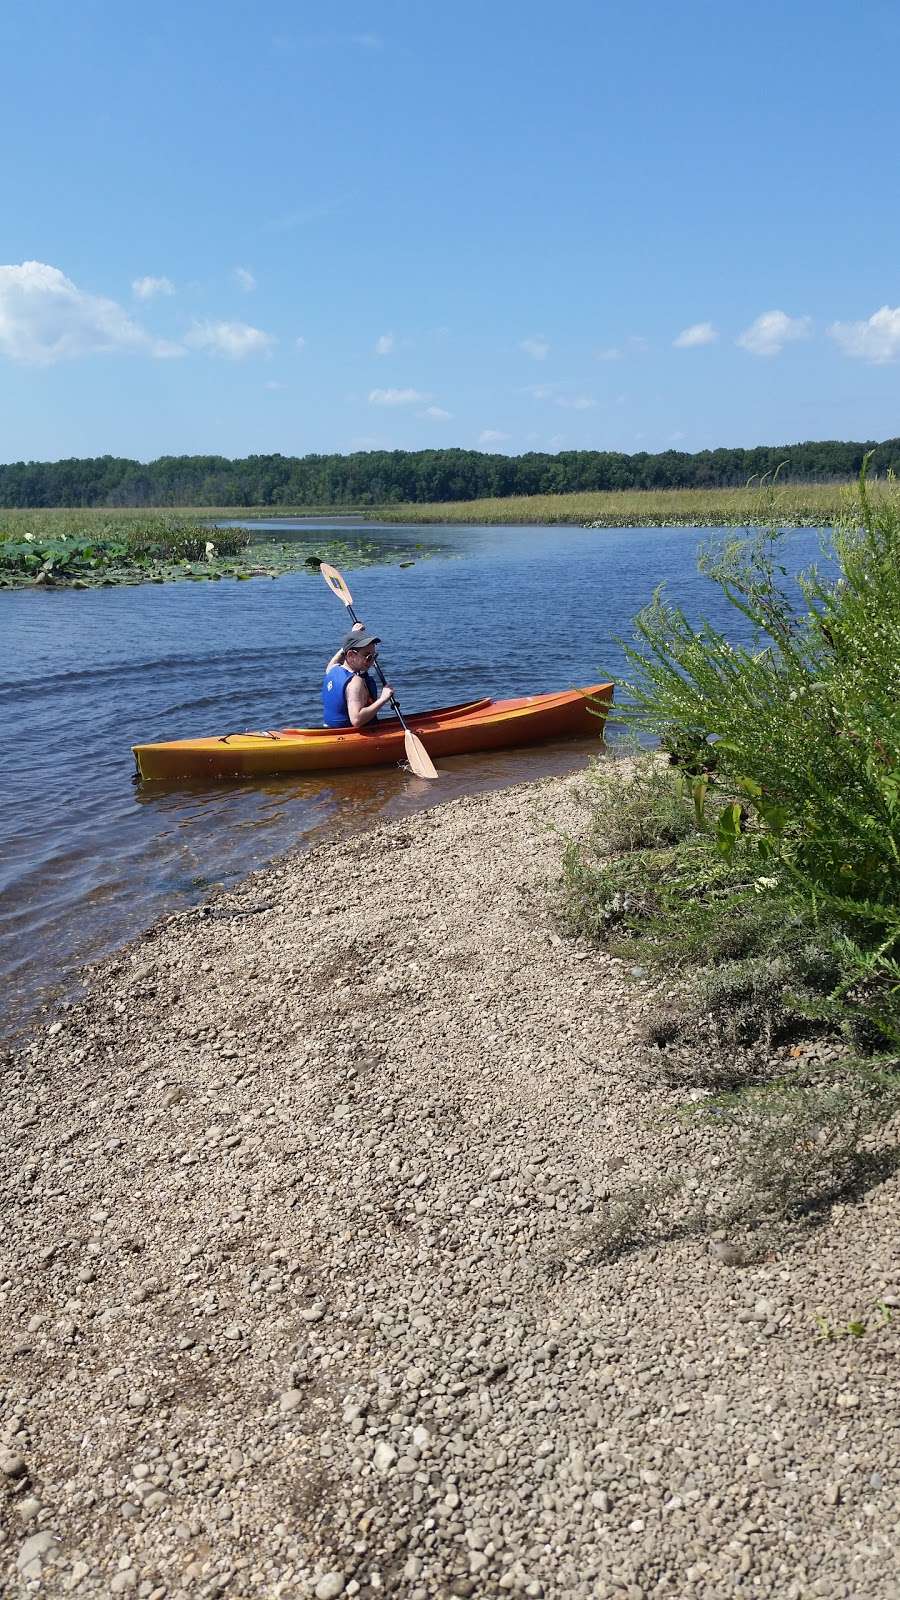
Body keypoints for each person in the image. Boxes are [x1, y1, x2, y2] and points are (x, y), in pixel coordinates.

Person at [322, 623, 394, 729]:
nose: (372, 661)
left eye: (374, 656)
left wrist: (351, 638)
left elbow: (334, 661)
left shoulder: (333, 669)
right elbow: (356, 720)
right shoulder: (355, 682)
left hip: (330, 730)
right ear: (351, 655)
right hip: (349, 735)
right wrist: (383, 699)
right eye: (368, 656)